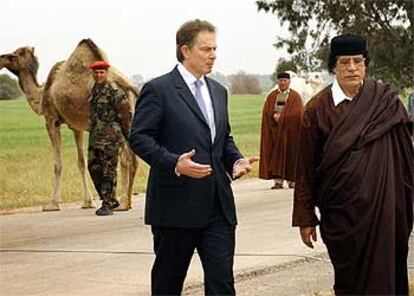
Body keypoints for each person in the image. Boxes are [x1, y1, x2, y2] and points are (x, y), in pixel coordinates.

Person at [128, 19, 258, 295]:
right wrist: (174, 163)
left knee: (222, 284)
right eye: (206, 49)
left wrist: (234, 161)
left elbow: (223, 139)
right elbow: (139, 137)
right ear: (185, 50)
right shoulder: (159, 90)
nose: (213, 55)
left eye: (215, 49)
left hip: (218, 208)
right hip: (175, 208)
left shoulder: (219, 92)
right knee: (167, 285)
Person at [292, 34, 414, 295]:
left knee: (387, 278)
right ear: (333, 66)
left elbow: (405, 159)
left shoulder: (386, 103)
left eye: (357, 61)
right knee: (349, 283)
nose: (351, 68)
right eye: (344, 62)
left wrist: (403, 201)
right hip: (342, 218)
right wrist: (305, 218)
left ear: (366, 64)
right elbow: (304, 169)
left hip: (386, 215)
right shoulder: (317, 109)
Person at [88, 60, 132, 216]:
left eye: (102, 72)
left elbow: (125, 115)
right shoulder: (94, 90)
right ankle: (110, 199)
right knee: (93, 168)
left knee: (108, 171)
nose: (99, 75)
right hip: (95, 137)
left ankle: (107, 203)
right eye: (96, 72)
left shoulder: (114, 91)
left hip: (111, 138)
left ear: (107, 73)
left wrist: (127, 137)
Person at [259, 72, 304, 189]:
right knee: (276, 156)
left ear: (289, 82)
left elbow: (298, 113)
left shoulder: (295, 97)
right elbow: (267, 111)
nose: (283, 82)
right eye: (280, 80)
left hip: (290, 133)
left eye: (285, 80)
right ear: (277, 82)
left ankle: (292, 180)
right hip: (275, 132)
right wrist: (274, 116)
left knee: (291, 155)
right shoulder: (272, 96)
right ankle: (278, 181)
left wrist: (283, 117)